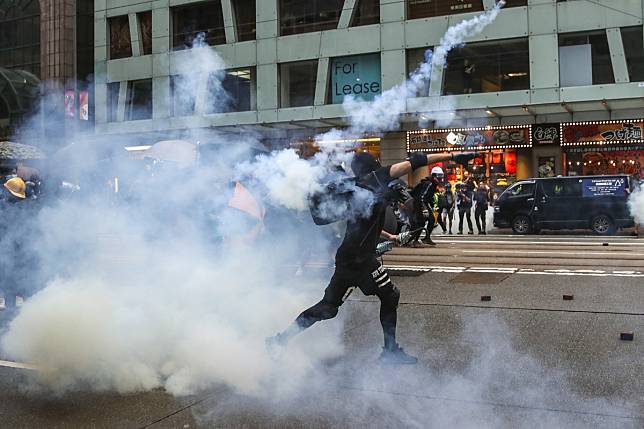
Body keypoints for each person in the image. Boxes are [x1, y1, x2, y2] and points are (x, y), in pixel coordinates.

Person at [268, 151, 479, 364]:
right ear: (373, 166)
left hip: (350, 257)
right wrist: (453, 155)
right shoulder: (376, 178)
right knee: (389, 296)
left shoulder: (356, 188)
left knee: (328, 308)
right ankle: (389, 352)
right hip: (359, 261)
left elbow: (364, 224)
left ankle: (280, 340)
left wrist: (391, 236)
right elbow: (415, 162)